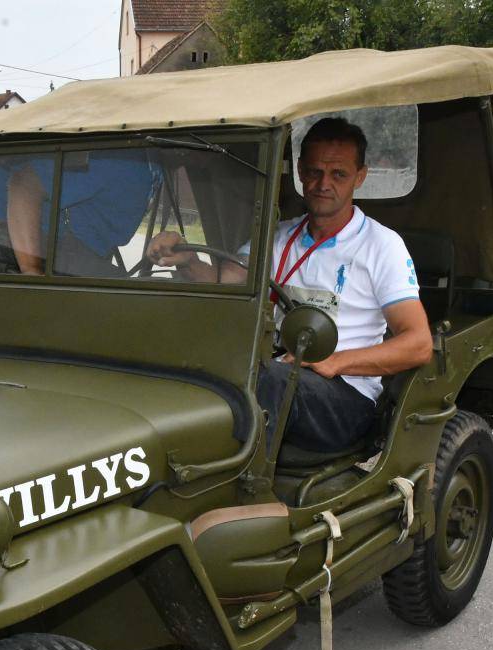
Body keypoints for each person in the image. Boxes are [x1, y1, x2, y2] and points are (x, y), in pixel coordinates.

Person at [149, 117, 432, 454]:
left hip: (343, 395)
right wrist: (188, 261)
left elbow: (418, 343)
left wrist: (337, 361)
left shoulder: (381, 245)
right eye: (313, 172)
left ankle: (241, 489)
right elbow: (227, 286)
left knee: (268, 380)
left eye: (338, 174)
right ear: (299, 171)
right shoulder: (281, 236)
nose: (323, 184)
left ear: (360, 177)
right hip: (279, 370)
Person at [0, 151, 158, 276]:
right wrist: (32, 273)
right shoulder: (119, 158)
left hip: (60, 235)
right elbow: (23, 185)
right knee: (119, 295)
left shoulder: (152, 165)